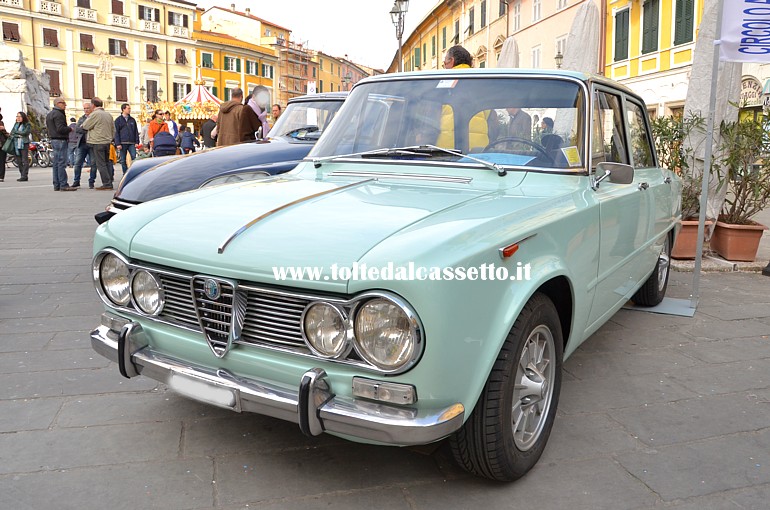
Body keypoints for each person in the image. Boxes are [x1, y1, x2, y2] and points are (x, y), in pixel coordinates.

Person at [437, 45, 497, 151]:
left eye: (444, 63)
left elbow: (430, 124)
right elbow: (492, 122)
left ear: (451, 61)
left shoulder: (442, 84)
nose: (444, 67)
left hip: (446, 152)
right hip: (479, 154)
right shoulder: (484, 86)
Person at [81, 97, 116, 190]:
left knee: (101, 163)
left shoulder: (95, 114)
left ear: (93, 105)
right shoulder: (108, 115)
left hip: (97, 141)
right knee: (108, 162)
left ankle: (106, 183)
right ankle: (110, 180)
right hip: (107, 141)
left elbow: (85, 126)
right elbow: (113, 129)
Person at [45, 96, 77, 191]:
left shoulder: (50, 114)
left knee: (56, 163)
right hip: (60, 140)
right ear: (58, 104)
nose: (65, 105)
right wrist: (70, 129)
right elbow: (60, 128)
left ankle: (56, 184)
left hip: (54, 139)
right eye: (63, 103)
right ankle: (63, 184)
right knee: (61, 163)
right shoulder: (59, 114)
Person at [114, 103, 139, 175]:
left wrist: (137, 141)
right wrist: (118, 143)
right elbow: (116, 132)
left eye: (130, 108)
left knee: (134, 158)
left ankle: (134, 172)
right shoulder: (118, 120)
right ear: (123, 109)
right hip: (122, 142)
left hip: (132, 142)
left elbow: (135, 131)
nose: (130, 110)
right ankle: (125, 173)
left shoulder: (132, 120)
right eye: (128, 108)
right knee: (123, 160)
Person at [9, 112, 32, 182]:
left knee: (25, 160)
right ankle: (22, 174)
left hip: (24, 143)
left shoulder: (27, 124)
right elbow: (12, 133)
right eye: (17, 116)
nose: (18, 118)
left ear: (23, 117)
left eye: (20, 116)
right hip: (16, 144)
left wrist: (16, 133)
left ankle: (24, 175)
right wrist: (18, 134)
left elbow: (25, 133)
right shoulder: (16, 125)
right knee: (18, 161)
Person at [0, 108, 7, 182]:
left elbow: (5, 134)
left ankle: (1, 176)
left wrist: (3, 129)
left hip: (2, 144)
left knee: (2, 161)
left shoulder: (1, 122)